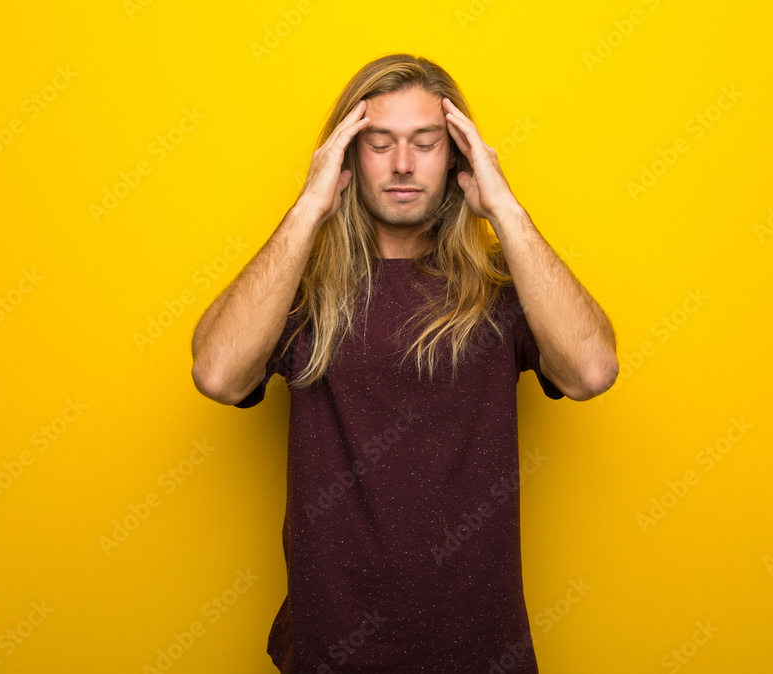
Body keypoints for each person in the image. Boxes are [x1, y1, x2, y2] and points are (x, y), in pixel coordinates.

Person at [190, 53, 618, 674]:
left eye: (426, 142)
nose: (402, 164)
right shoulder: (301, 291)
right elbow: (218, 375)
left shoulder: (502, 288)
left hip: (481, 650)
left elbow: (592, 371)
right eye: (379, 143)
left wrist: (505, 207)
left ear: (457, 158)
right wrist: (309, 207)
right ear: (347, 157)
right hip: (333, 648)